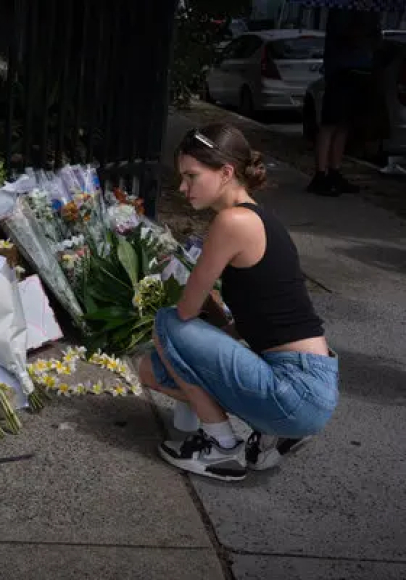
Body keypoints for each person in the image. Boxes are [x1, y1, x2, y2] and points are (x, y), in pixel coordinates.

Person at [140, 123, 339, 482]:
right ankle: (273, 434)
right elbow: (249, 321)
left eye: (191, 176)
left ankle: (221, 448)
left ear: (226, 172)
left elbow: (185, 311)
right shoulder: (259, 218)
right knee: (151, 369)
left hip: (296, 386)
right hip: (308, 383)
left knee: (167, 322)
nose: (183, 188)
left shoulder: (232, 221)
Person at [308, 8, 381, 197]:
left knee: (344, 124)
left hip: (360, 70)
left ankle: (334, 170)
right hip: (341, 71)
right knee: (331, 123)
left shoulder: (367, 10)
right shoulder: (343, 9)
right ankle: (321, 173)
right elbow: (347, 35)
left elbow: (374, 39)